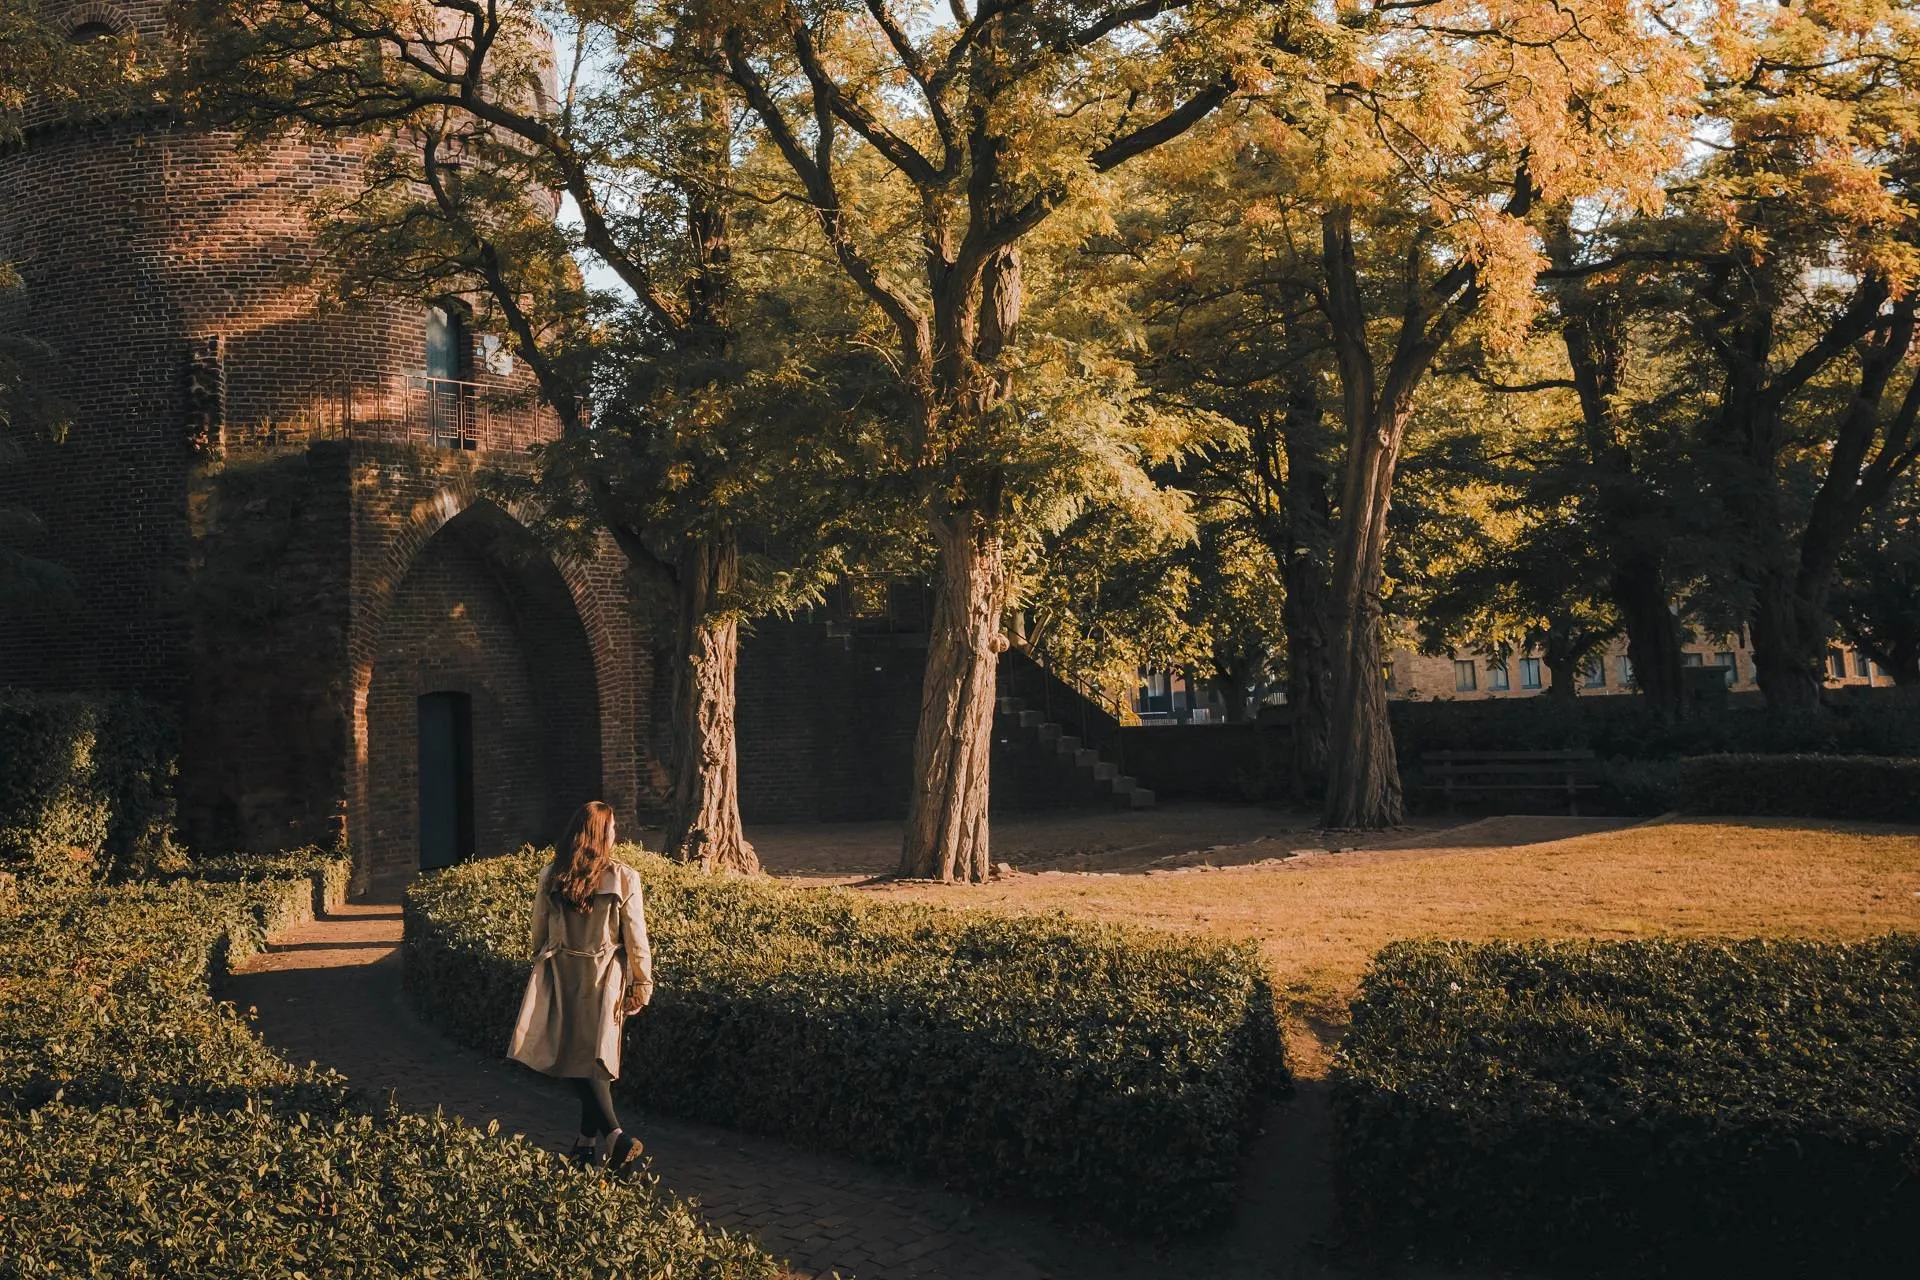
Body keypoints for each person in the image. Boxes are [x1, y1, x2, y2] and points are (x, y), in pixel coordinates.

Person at [507, 800, 654, 1172]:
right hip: (605, 977)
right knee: (594, 1058)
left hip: (563, 971)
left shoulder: (552, 875)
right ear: (601, 834)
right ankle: (615, 1138)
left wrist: (542, 959)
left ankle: (587, 1145)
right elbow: (636, 936)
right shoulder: (624, 877)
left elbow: (538, 930)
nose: (616, 834)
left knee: (579, 1057)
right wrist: (642, 981)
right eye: (612, 828)